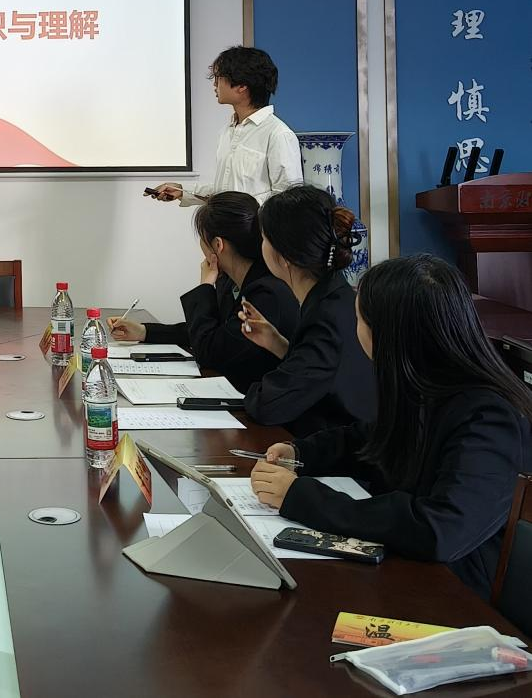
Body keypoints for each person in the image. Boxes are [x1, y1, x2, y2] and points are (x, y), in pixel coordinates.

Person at [250, 255, 532, 598]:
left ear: (386, 335)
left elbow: (439, 530)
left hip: (457, 594)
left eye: (358, 319)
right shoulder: (428, 384)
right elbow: (372, 439)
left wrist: (303, 498)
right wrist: (301, 453)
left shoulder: (491, 417)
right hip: (411, 572)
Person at [109, 192, 299, 392]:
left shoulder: (267, 293)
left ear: (218, 244)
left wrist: (206, 285)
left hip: (260, 400)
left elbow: (210, 351)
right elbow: (211, 330)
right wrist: (144, 332)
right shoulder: (232, 281)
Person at [236, 185, 376, 436]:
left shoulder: (325, 318)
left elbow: (269, 405)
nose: (261, 246)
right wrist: (279, 344)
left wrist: (255, 390)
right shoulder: (337, 295)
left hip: (341, 451)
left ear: (286, 256)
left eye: (265, 239)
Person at [150, 46, 302, 206]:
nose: (215, 84)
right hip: (222, 221)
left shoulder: (278, 134)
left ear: (242, 86)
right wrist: (182, 191)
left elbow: (288, 200)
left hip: (254, 223)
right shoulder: (227, 131)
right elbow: (224, 191)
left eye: (219, 78)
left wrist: (237, 207)